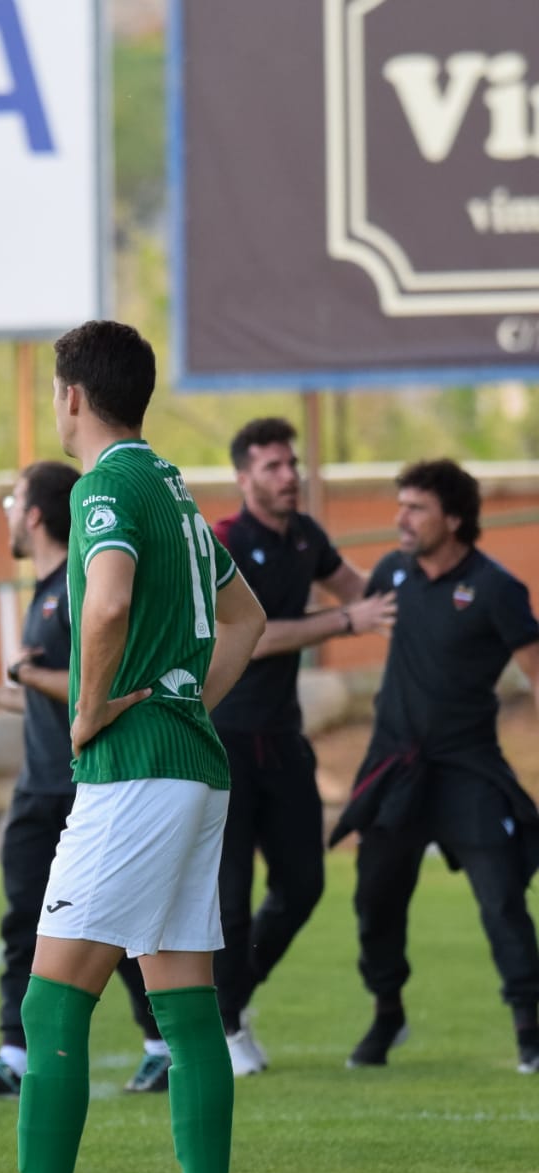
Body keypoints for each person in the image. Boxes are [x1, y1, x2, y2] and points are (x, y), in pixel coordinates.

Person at [0, 320, 266, 1173]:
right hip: (193, 767)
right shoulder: (178, 493)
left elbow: (103, 606)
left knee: (49, 999)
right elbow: (247, 621)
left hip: (134, 776)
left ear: (70, 396)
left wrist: (88, 708)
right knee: (186, 1008)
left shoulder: (105, 485)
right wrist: (188, 696)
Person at [0, 462, 174, 1100]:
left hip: (78, 787)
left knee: (111, 926)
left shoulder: (76, 588)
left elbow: (97, 691)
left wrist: (21, 677)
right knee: (25, 924)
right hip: (41, 786)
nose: (7, 513)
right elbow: (56, 697)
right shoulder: (47, 587)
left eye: (12, 500)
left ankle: (162, 1046)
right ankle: (14, 1056)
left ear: (34, 514)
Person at [330, 459, 539, 1075]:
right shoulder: (394, 572)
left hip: (468, 768)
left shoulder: (497, 589)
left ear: (453, 518)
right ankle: (388, 1012)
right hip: (396, 768)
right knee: (375, 898)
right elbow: (347, 598)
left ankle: (530, 1027)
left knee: (502, 897)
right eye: (399, 505)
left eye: (415, 508)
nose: (400, 519)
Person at [209, 418, 395, 1076]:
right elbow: (252, 634)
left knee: (304, 883)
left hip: (283, 740)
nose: (288, 476)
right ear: (244, 478)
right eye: (272, 467)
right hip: (223, 738)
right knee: (228, 898)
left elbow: (365, 592)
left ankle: (230, 1003)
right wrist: (346, 622)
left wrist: (422, 576)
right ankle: (224, 1026)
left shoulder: (307, 538)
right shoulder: (224, 541)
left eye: (291, 464)